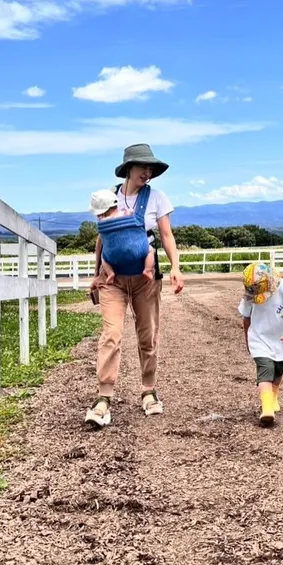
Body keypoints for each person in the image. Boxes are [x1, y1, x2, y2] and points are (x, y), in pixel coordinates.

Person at [85, 144, 184, 429]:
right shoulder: (108, 199)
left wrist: (176, 268)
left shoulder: (156, 198)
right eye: (143, 167)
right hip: (112, 281)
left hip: (145, 280)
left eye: (151, 168)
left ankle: (148, 390)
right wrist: (96, 273)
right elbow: (102, 240)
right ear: (129, 168)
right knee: (111, 335)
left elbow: (166, 235)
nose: (148, 172)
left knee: (148, 335)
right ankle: (104, 398)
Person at [238, 262, 283, 427]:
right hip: (259, 339)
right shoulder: (250, 296)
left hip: (282, 339)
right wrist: (248, 341)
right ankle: (267, 409)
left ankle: (273, 396)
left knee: (279, 368)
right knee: (265, 368)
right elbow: (246, 318)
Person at [89, 189, 155, 281]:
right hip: (135, 250)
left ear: (101, 211)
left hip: (112, 256)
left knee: (104, 258)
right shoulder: (125, 213)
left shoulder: (102, 221)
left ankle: (110, 273)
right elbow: (132, 214)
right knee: (150, 250)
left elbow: (101, 239)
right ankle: (147, 270)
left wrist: (96, 270)